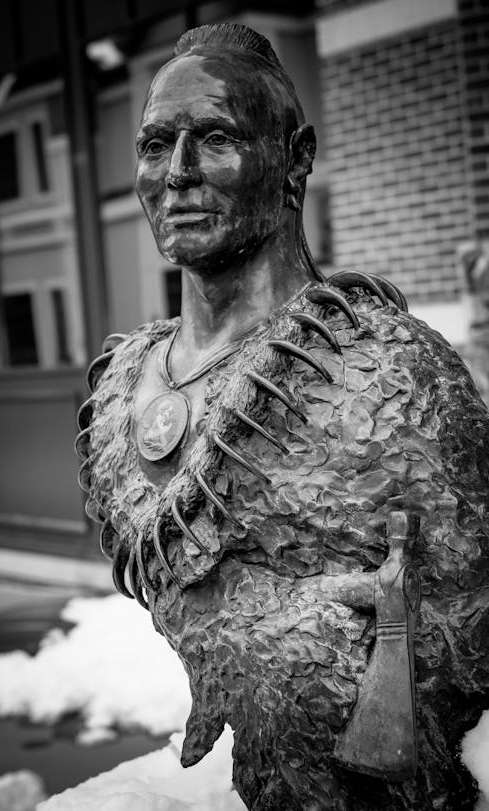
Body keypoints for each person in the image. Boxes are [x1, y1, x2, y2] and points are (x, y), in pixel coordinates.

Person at [76, 23, 489, 811]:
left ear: (295, 159)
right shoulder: (120, 388)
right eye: (157, 143)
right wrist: (262, 619)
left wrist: (325, 657)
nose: (178, 173)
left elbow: (473, 623)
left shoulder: (392, 370)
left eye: (217, 138)